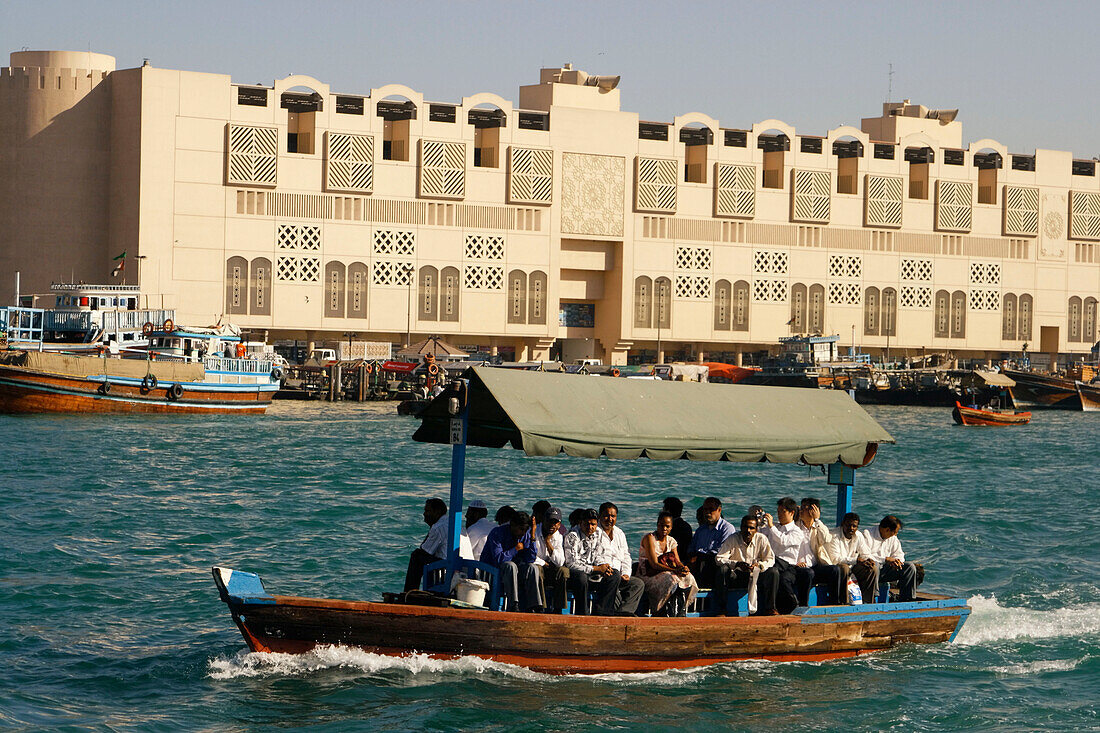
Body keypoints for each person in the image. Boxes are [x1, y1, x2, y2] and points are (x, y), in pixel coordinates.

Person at [637, 510, 699, 616]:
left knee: (688, 577)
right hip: (649, 574)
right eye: (661, 525)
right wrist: (674, 570)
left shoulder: (671, 541)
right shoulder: (649, 538)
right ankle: (662, 611)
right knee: (672, 579)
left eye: (667, 526)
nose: (664, 529)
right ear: (657, 524)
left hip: (667, 572)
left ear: (671, 527)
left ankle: (680, 611)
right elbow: (654, 564)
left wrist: (683, 568)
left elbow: (677, 561)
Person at [716, 514, 779, 615]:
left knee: (774, 572)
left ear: (756, 529)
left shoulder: (761, 539)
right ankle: (722, 609)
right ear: (741, 528)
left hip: (756, 575)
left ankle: (770, 608)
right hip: (738, 576)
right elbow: (719, 558)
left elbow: (770, 559)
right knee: (723, 570)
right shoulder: (733, 538)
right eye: (745, 527)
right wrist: (736, 564)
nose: (748, 530)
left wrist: (760, 565)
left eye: (751, 528)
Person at [479, 510, 542, 612]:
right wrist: (515, 549)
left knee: (532, 567)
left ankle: (534, 605)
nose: (522, 533)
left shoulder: (525, 535)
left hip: (515, 573)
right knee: (510, 565)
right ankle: (513, 604)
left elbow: (530, 559)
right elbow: (499, 559)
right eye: (520, 529)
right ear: (512, 525)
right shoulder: (497, 533)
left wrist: (532, 537)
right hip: (494, 572)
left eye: (525, 530)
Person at [563, 508, 621, 615]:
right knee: (582, 577)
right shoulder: (572, 536)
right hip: (576, 574)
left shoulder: (598, 533)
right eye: (587, 524)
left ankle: (602, 612)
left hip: (593, 572)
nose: (590, 527)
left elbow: (599, 554)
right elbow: (571, 563)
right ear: (581, 523)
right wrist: (595, 569)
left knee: (614, 574)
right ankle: (582, 613)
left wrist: (603, 566)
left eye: (593, 524)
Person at [763, 496, 815, 613]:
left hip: (789, 566)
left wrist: (771, 526)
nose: (779, 514)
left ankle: (794, 605)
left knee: (784, 577)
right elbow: (759, 534)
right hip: (773, 564)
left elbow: (783, 541)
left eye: (783, 511)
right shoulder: (774, 527)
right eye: (778, 511)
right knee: (773, 568)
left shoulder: (797, 531)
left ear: (792, 513)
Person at [597, 502, 645, 615]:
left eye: (613, 516)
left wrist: (626, 573)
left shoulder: (619, 533)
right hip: (603, 575)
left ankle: (623, 612)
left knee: (638, 584)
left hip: (619, 575)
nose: (610, 519)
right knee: (614, 580)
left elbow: (626, 556)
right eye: (606, 515)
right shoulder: (595, 532)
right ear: (600, 516)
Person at [799, 497, 844, 605]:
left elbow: (826, 539)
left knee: (835, 570)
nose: (800, 510)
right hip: (799, 567)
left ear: (812, 511)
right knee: (808, 573)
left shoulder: (817, 527)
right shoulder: (796, 526)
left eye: (804, 508)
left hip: (814, 566)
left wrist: (817, 520)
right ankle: (803, 605)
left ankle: (834, 603)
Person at [864, 515, 918, 602]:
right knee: (875, 565)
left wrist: (897, 561)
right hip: (870, 571)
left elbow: (899, 554)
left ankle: (907, 599)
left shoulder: (893, 538)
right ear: (887, 530)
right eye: (895, 532)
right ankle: (874, 597)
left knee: (910, 567)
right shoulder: (867, 534)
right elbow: (865, 555)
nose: (896, 534)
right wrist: (886, 559)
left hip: (886, 570)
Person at [686, 497, 736, 589]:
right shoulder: (701, 530)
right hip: (698, 560)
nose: (707, 512)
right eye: (705, 509)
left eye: (711, 509)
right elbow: (691, 547)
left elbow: (720, 552)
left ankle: (703, 597)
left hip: (716, 562)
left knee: (703, 564)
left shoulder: (727, 528)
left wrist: (698, 557)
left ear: (719, 510)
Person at [829, 512, 877, 604]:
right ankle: (844, 602)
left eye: (854, 526)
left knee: (872, 568)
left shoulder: (858, 535)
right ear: (843, 524)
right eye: (848, 525)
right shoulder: (834, 535)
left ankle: (867, 603)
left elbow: (865, 553)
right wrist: (856, 560)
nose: (851, 528)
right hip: (838, 568)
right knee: (844, 567)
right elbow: (835, 559)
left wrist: (868, 560)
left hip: (854, 567)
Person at [404, 498, 447, 592]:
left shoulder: (438, 527)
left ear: (437, 512)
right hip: (460, 568)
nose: (424, 514)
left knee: (416, 556)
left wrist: (431, 528)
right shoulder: (450, 522)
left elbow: (424, 550)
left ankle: (409, 592)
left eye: (427, 511)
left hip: (447, 568)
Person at [534, 506, 570, 613]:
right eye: (549, 521)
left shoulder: (558, 536)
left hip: (551, 569)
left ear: (559, 524)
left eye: (555, 523)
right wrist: (544, 563)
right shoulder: (534, 532)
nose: (552, 525)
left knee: (563, 571)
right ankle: (541, 606)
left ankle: (558, 608)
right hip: (538, 566)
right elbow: (530, 556)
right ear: (544, 520)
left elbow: (559, 562)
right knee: (538, 569)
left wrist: (548, 542)